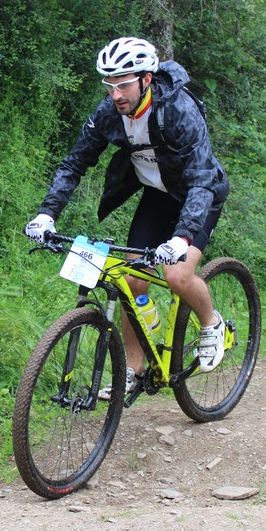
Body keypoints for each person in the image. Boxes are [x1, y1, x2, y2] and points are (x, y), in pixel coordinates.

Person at [24, 37, 230, 398]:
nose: (115, 94)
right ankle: (135, 370)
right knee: (132, 281)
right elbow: (74, 164)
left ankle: (212, 324)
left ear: (146, 80)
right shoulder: (109, 112)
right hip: (157, 196)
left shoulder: (178, 109)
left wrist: (182, 237)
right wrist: (46, 214)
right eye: (109, 85)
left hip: (200, 195)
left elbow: (201, 178)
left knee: (177, 275)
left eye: (123, 85)